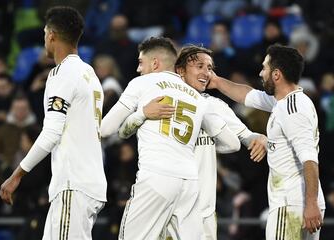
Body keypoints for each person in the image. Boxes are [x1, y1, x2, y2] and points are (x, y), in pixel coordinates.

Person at [118, 45, 267, 240]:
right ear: (180, 70)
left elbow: (247, 137)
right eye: (199, 66)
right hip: (164, 208)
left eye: (210, 68)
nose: (206, 72)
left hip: (202, 213)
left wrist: (260, 138)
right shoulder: (158, 102)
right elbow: (128, 135)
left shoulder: (214, 106)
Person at [0, 6, 107, 240]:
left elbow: (51, 132)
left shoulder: (62, 73)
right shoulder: (89, 74)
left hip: (73, 182)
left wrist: (17, 174)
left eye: (44, 33)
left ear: (51, 35)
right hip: (87, 181)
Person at [208, 44, 325, 238]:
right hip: (299, 202)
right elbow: (247, 95)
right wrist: (217, 82)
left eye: (265, 68)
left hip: (292, 204)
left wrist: (311, 203)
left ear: (276, 75)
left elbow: (310, 159)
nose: (261, 73)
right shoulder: (286, 102)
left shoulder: (292, 109)